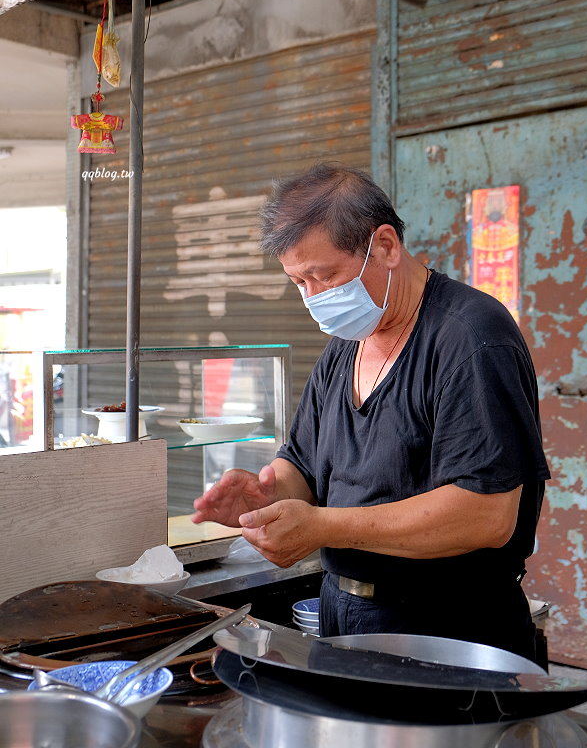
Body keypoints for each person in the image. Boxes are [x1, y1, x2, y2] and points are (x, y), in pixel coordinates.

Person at [192, 163, 550, 662]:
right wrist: (268, 495)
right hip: (343, 612)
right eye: (299, 283)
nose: (315, 299)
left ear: (384, 246)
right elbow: (305, 465)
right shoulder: (346, 345)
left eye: (325, 276)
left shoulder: (470, 338)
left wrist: (322, 526)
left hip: (451, 627)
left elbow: (484, 515)